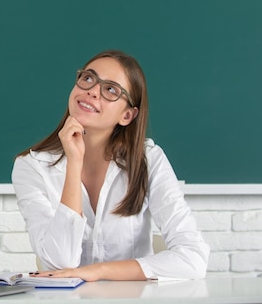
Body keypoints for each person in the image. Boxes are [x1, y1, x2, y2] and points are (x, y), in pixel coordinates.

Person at [11, 49, 209, 282]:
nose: (93, 91)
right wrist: (74, 163)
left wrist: (98, 271)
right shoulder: (31, 166)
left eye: (111, 90)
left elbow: (193, 257)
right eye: (88, 78)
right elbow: (60, 264)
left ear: (127, 115)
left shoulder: (148, 160)